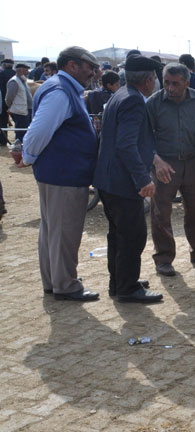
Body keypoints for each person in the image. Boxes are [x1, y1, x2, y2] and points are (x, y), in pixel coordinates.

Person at [17, 46, 101, 301]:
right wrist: (28, 156)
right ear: (72, 66)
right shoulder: (61, 91)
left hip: (59, 173)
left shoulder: (60, 87)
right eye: (89, 66)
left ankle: (54, 281)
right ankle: (66, 285)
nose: (93, 72)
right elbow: (39, 130)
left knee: (52, 230)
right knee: (64, 231)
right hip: (64, 175)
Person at [92, 55, 164, 303]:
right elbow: (126, 145)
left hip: (109, 180)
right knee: (133, 236)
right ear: (147, 79)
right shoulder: (133, 101)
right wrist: (143, 179)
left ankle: (120, 281)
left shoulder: (121, 94)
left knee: (119, 235)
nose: (155, 83)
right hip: (122, 184)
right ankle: (127, 288)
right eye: (154, 79)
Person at [146, 63, 195, 277]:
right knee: (161, 213)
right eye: (166, 82)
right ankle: (163, 258)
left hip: (193, 161)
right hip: (164, 164)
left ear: (186, 83)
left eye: (175, 84)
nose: (169, 88)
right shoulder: (153, 103)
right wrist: (156, 161)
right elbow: (144, 137)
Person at [5, 63, 33, 146]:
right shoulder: (14, 81)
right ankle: (18, 149)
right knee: (20, 132)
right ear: (21, 70)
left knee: (25, 131)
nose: (28, 71)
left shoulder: (23, 80)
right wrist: (10, 107)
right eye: (26, 70)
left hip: (25, 110)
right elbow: (9, 98)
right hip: (20, 111)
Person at [0, 59, 15, 147]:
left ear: (4, 65)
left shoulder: (1, 74)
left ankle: (3, 140)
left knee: (3, 121)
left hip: (4, 101)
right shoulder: (16, 74)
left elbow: (2, 90)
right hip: (16, 102)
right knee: (18, 122)